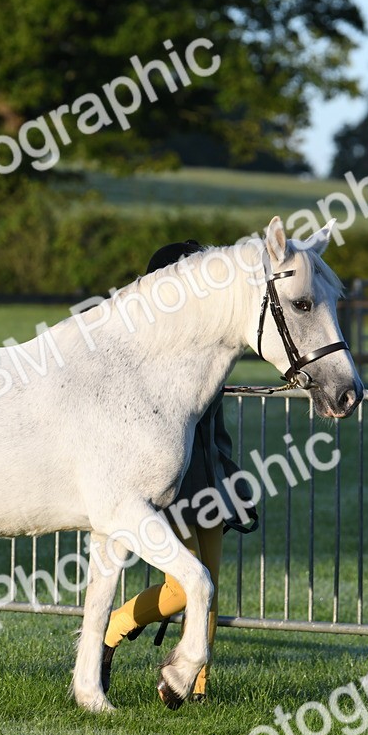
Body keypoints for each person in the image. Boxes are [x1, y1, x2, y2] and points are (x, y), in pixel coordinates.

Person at [101, 240, 258, 705]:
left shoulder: (203, 352)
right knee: (181, 587)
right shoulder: (153, 358)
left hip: (212, 478)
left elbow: (216, 425)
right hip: (173, 483)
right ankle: (113, 628)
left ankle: (196, 686)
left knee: (208, 585)